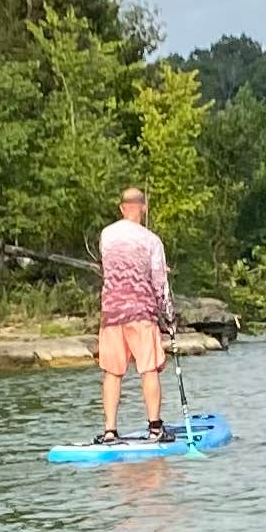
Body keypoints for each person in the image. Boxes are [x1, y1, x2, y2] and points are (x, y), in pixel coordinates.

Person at [94, 186, 176, 444]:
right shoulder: (152, 240)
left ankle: (110, 431)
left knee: (112, 371)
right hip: (141, 312)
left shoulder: (106, 235)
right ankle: (155, 428)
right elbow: (160, 282)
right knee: (148, 369)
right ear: (143, 207)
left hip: (112, 312)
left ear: (121, 208)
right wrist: (170, 317)